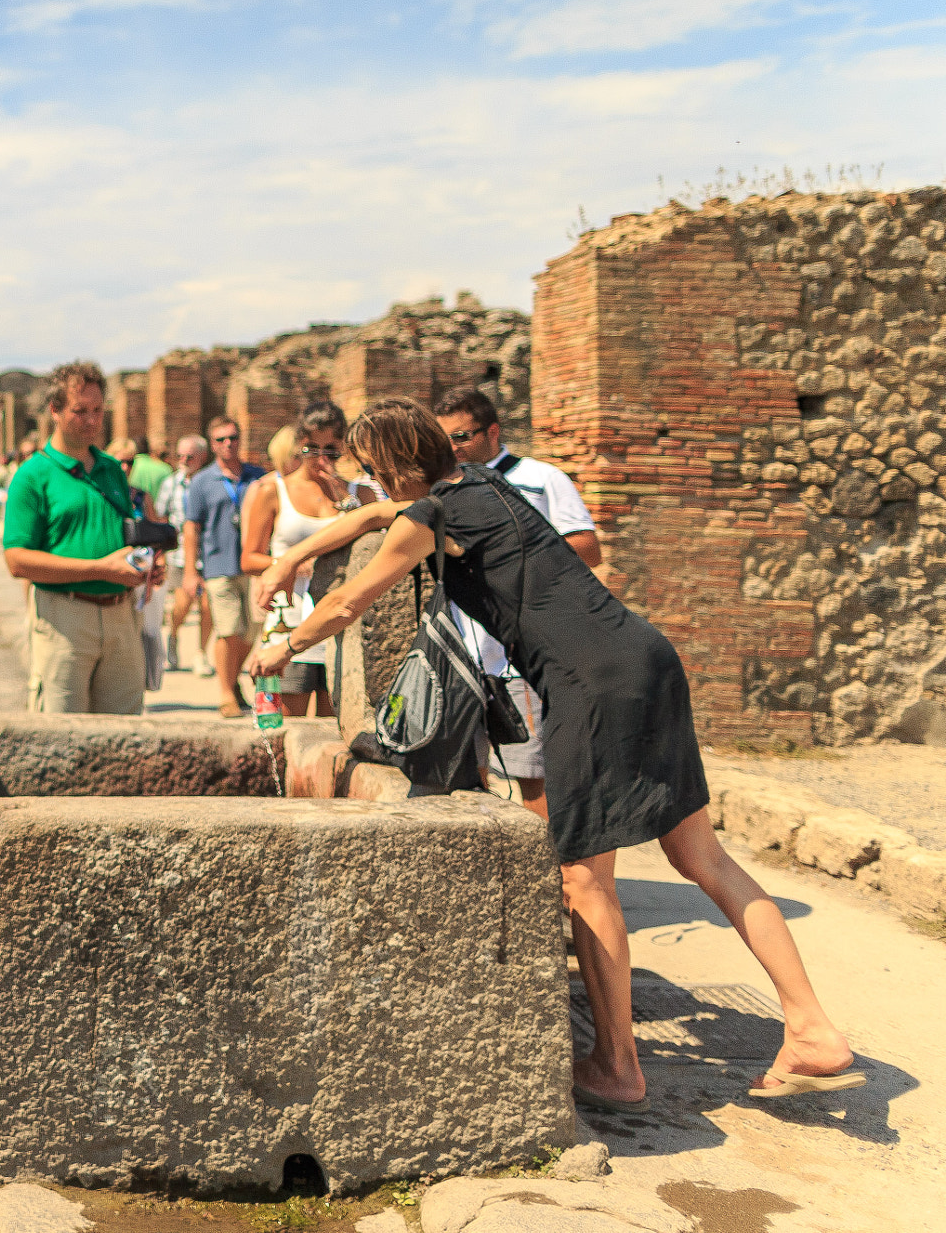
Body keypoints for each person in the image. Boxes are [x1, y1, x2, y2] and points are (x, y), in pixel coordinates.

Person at [253, 397, 861, 1111]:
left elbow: (350, 602)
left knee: (583, 880)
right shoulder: (485, 485)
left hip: (588, 684)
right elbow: (370, 518)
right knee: (705, 859)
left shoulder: (429, 518)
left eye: (375, 471)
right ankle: (812, 1025)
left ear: (391, 465)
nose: (374, 486)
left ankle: (617, 1066)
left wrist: (283, 646)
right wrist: (293, 555)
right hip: (646, 657)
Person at [435, 385, 606, 812]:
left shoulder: (541, 477)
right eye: (445, 440)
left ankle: (550, 873)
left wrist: (510, 559)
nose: (453, 448)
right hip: (463, 651)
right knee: (466, 773)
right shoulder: (446, 487)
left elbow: (587, 547)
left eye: (462, 437)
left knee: (531, 775)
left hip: (520, 655)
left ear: (492, 431)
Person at [2, 362, 156, 715]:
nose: (92, 420)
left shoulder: (112, 470)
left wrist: (143, 566)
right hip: (64, 619)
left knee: (126, 737)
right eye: (80, 411)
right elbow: (17, 560)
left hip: (121, 617)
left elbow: (121, 537)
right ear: (54, 410)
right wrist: (100, 568)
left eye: (98, 410)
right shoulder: (32, 475)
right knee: (61, 738)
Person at [240, 402, 376, 719]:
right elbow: (248, 559)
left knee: (336, 732)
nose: (320, 459)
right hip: (286, 624)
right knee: (279, 729)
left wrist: (342, 497)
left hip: (339, 623)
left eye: (331, 450)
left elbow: (369, 549)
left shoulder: (361, 494)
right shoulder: (273, 490)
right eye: (311, 448)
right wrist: (288, 562)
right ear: (299, 445)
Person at [182, 416, 264, 719]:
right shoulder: (203, 481)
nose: (228, 444)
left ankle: (232, 679)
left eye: (233, 437)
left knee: (251, 633)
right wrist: (191, 572)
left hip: (254, 566)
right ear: (212, 444)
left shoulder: (258, 477)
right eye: (221, 439)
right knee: (229, 630)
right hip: (218, 564)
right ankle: (226, 692)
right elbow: (192, 527)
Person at [156, 436, 214, 677]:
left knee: (207, 606)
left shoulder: (211, 481)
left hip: (209, 554)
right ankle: (174, 634)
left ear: (201, 457)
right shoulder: (171, 483)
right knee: (183, 604)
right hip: (180, 555)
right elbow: (160, 516)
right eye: (180, 456)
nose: (184, 461)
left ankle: (201, 653)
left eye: (189, 456)